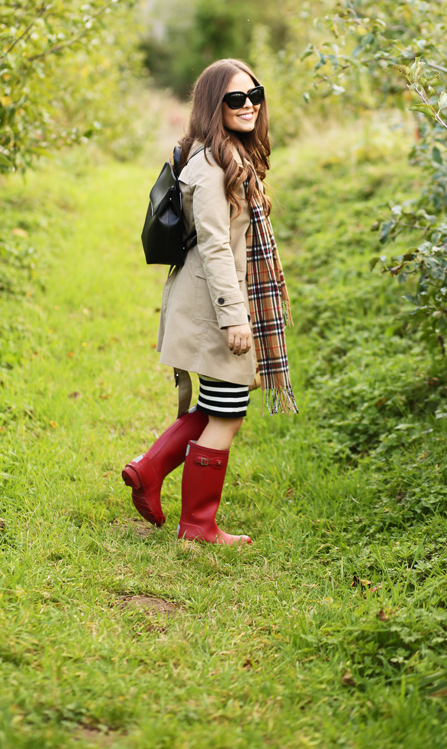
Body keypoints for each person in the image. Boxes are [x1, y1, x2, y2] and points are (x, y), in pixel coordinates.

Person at [122, 58, 297, 544]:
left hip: (208, 300)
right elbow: (217, 244)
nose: (249, 105)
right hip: (214, 305)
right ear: (212, 105)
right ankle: (198, 524)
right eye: (235, 99)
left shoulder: (225, 156)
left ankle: (149, 469)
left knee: (217, 402)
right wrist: (234, 317)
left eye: (254, 95)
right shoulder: (213, 164)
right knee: (228, 412)